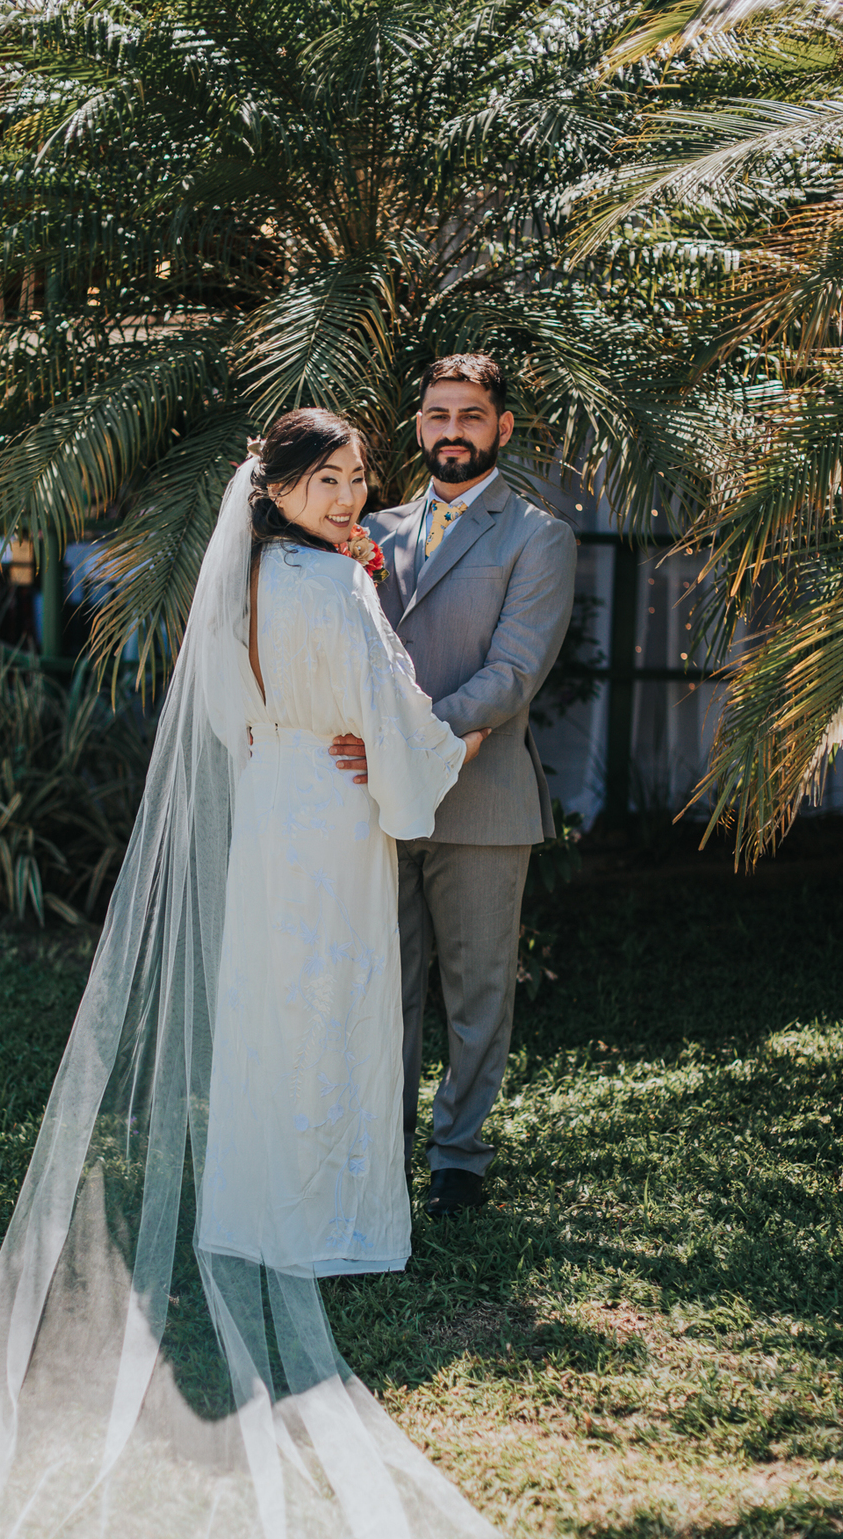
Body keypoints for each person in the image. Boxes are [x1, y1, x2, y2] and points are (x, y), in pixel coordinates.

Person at [0, 409, 501, 1539]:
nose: (352, 494)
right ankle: (329, 1217)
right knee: (336, 1015)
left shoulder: (240, 581)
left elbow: (237, 721)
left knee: (265, 1016)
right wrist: (431, 754)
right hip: (338, 816)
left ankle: (252, 1200)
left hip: (269, 817)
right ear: (289, 486)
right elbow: (396, 720)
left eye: (362, 477)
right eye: (334, 477)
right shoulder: (338, 590)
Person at [330, 353, 576, 1218]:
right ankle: (380, 1149)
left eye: (470, 417)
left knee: (476, 992)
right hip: (378, 802)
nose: (452, 433)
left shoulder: (537, 537)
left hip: (482, 800)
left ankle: (459, 1160)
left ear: (501, 428)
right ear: (420, 426)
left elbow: (513, 674)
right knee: (382, 987)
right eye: (438, 417)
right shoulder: (370, 532)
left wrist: (414, 742)